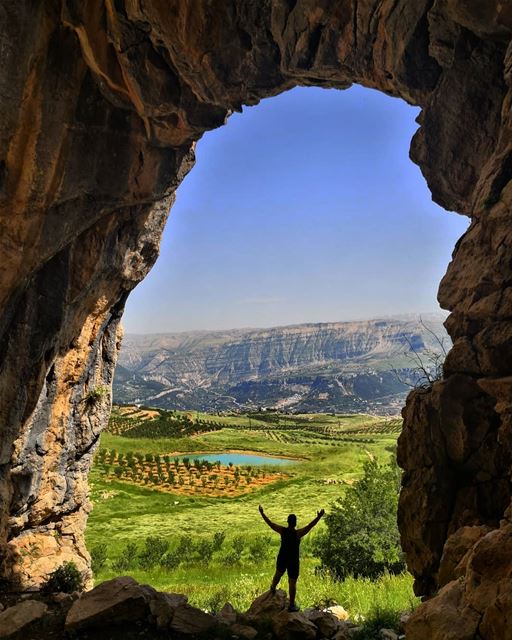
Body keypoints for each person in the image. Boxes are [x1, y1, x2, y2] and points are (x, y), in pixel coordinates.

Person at [258, 504, 325, 612]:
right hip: (293, 561)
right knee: (292, 583)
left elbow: (270, 524)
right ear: (295, 523)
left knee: (278, 574)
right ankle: (292, 605)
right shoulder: (298, 533)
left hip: (282, 557)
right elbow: (309, 526)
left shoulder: (283, 531)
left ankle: (273, 588)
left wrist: (262, 513)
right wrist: (319, 516)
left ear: (288, 522)